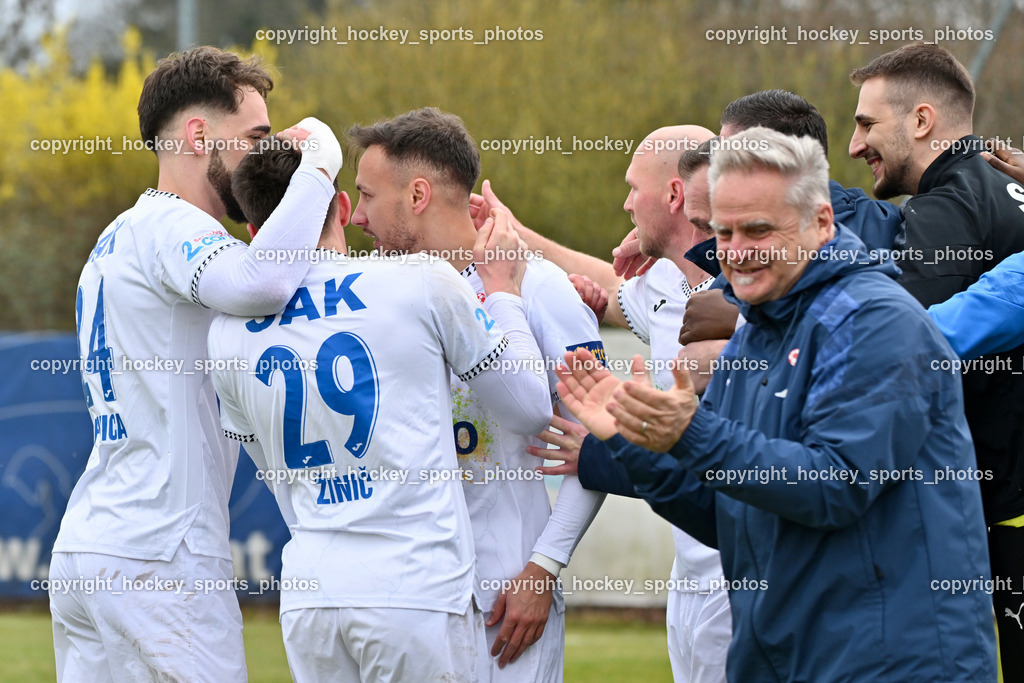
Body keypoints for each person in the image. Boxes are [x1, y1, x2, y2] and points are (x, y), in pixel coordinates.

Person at [558, 127, 997, 681]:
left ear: (820, 222)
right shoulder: (756, 336)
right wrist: (633, 441)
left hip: (887, 664)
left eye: (758, 229)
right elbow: (732, 517)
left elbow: (834, 485)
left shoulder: (876, 323)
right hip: (794, 659)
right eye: (724, 232)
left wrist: (691, 433)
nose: (736, 252)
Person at [49, 46, 342, 682]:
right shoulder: (171, 226)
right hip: (159, 553)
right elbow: (261, 283)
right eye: (257, 136)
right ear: (198, 134)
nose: (266, 155)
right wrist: (320, 161)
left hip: (94, 544)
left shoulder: (119, 236)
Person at [209, 139, 551, 682]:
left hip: (312, 597)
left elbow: (271, 472)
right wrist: (504, 292)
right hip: (415, 588)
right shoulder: (420, 279)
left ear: (254, 232)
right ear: (341, 207)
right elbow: (531, 408)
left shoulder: (225, 332)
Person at [346, 107, 605, 681]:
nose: (357, 216)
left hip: (505, 599)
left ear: (417, 195)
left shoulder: (540, 288)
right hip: (409, 595)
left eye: (366, 195)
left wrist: (543, 570)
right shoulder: (381, 293)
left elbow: (595, 446)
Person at [483, 125, 731, 683]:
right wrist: (519, 237)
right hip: (688, 577)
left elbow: (716, 456)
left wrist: (603, 456)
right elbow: (608, 287)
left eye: (632, 187)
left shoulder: (760, 300)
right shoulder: (665, 283)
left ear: (673, 196)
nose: (624, 203)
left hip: (742, 572)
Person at [849, 43, 1024, 676]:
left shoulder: (947, 202)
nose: (854, 144)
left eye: (867, 124)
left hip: (1002, 511)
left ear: (921, 122)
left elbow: (904, 343)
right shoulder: (1010, 187)